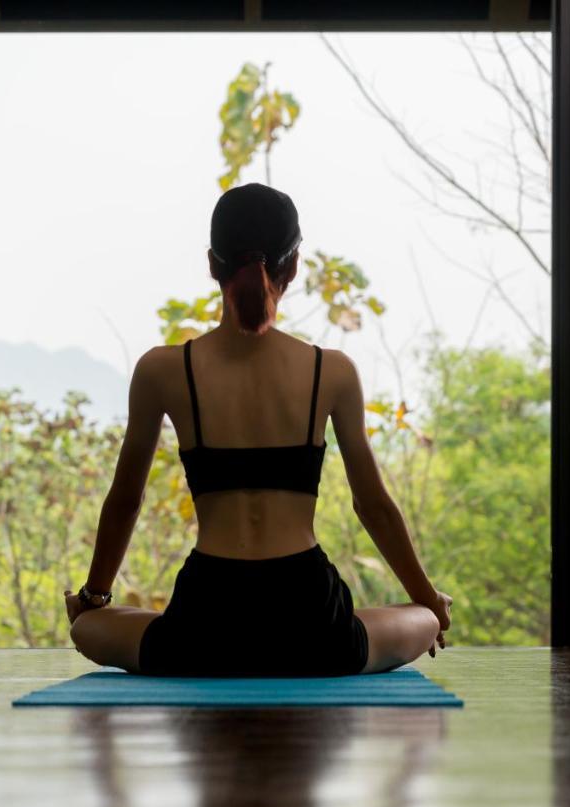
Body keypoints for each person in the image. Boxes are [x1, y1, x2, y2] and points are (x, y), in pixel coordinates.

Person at [64, 182, 453, 676]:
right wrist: (428, 601)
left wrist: (93, 598)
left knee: (87, 627)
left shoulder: (162, 370)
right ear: (293, 267)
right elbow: (372, 505)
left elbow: (126, 501)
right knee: (417, 618)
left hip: (204, 624)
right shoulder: (329, 371)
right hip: (313, 623)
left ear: (212, 264)